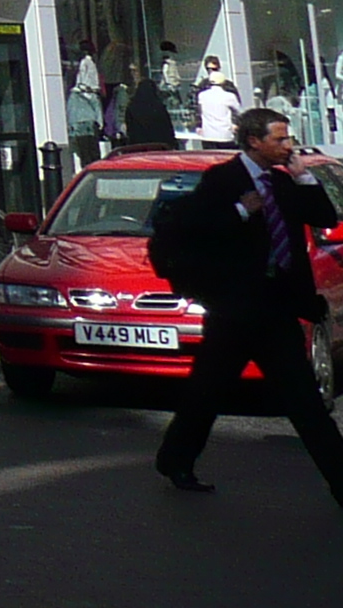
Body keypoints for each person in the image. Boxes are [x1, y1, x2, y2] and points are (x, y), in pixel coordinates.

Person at [153, 107, 343, 500]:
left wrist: (303, 173)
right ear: (254, 141)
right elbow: (192, 231)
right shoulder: (221, 180)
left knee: (305, 401)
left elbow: (323, 215)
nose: (287, 145)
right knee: (206, 393)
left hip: (276, 309)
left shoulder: (283, 181)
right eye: (279, 139)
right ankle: (176, 460)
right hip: (234, 311)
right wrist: (241, 211)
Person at [121, 63, 175, 150]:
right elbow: (167, 127)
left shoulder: (132, 107)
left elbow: (130, 128)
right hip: (160, 146)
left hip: (139, 147)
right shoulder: (159, 107)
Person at [193, 57, 243, 147]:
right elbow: (197, 109)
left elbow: (237, 108)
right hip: (209, 133)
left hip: (225, 131)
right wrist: (198, 125)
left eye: (214, 69)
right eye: (209, 69)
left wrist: (235, 124)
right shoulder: (202, 86)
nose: (212, 71)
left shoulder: (228, 86)